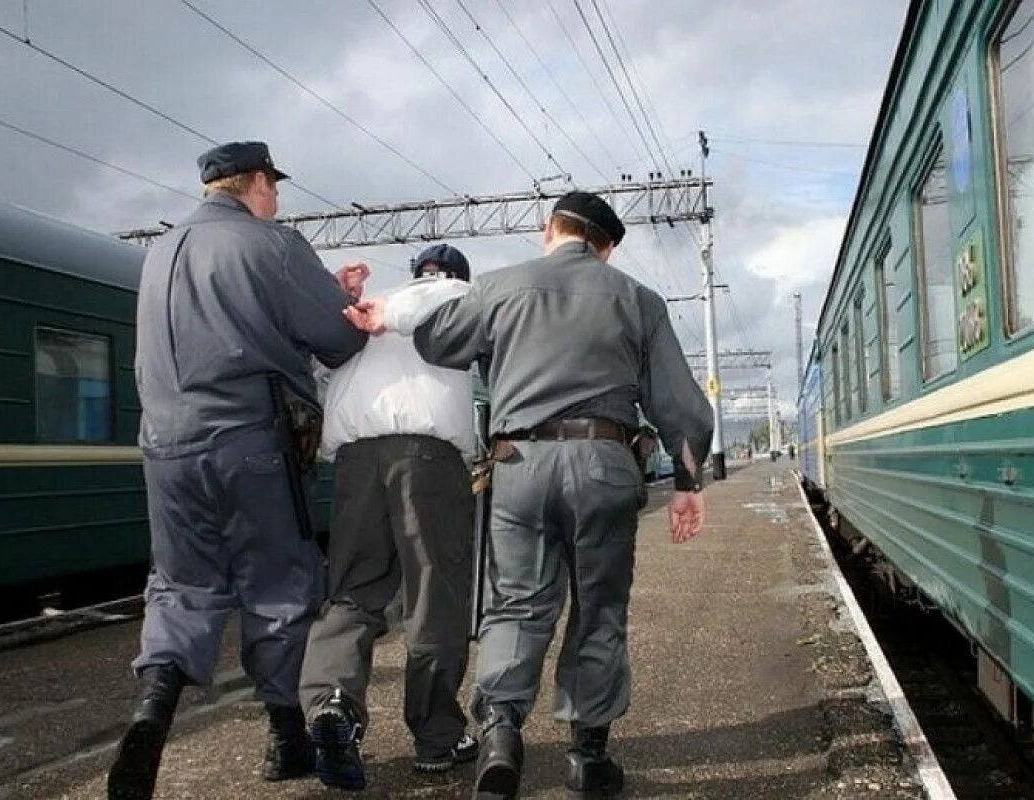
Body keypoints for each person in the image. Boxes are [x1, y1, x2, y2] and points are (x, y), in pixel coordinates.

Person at [348, 192, 714, 799]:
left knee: (516, 604)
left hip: (519, 462)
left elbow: (440, 341)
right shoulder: (638, 300)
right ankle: (587, 759)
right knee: (598, 609)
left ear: (550, 230)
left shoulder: (500, 287)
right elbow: (678, 403)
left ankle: (500, 736)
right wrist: (687, 481)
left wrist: (396, 311)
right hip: (605, 462)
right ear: (607, 247)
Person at [108, 142, 368, 800]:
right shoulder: (272, 244)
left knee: (179, 585)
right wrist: (340, 301)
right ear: (255, 183)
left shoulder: (158, 254)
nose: (277, 200)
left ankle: (152, 711)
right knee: (279, 585)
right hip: (250, 442)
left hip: (165, 447)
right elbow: (339, 341)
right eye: (274, 187)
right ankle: (286, 741)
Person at [298, 244, 480, 791]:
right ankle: (437, 738)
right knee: (433, 592)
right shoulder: (453, 296)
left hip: (356, 461)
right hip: (426, 459)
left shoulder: (363, 311)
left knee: (352, 588)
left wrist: (346, 300)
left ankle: (333, 703)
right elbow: (448, 291)